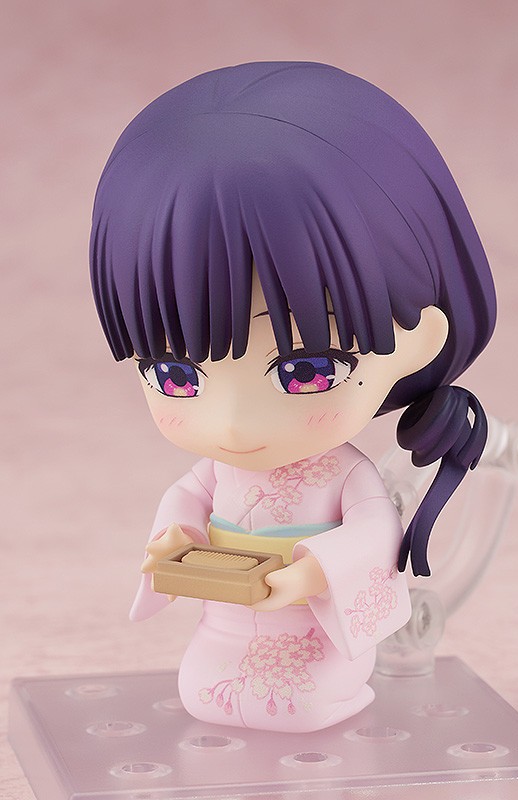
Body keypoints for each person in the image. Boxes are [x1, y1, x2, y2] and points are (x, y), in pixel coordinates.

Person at [89, 61, 496, 731]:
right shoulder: (215, 473)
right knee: (201, 690)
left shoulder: (347, 477)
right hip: (225, 623)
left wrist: (311, 575)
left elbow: (373, 534)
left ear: (419, 339)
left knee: (305, 701)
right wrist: (176, 540)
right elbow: (187, 502)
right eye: (175, 376)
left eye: (306, 369)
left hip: (310, 633)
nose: (233, 426)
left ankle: (340, 693)